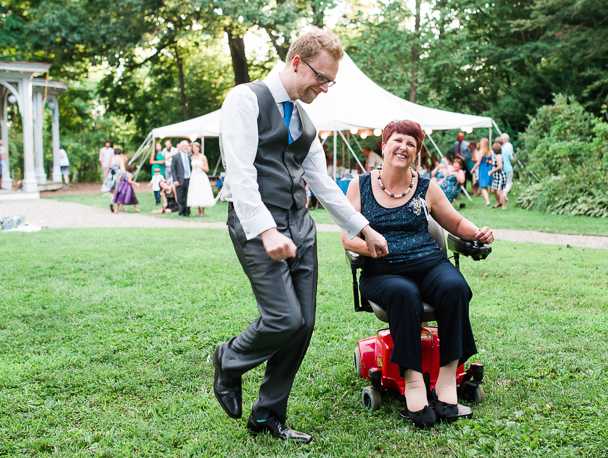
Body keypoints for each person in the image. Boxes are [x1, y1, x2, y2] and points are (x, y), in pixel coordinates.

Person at [214, 26, 388, 443]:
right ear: (297, 62)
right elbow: (239, 174)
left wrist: (363, 227)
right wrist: (267, 231)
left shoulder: (306, 122)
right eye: (322, 78)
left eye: (331, 81)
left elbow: (322, 184)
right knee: (283, 318)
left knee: (304, 324)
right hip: (259, 225)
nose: (325, 88)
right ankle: (229, 360)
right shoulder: (244, 99)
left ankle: (267, 415)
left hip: (301, 227)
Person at [342, 119, 494, 428]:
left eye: (411, 144)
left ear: (417, 153)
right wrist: (371, 247)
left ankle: (447, 384)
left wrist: (477, 233)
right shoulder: (359, 184)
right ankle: (414, 384)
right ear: (384, 146)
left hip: (429, 265)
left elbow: (455, 222)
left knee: (455, 287)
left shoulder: (426, 186)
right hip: (383, 271)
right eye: (398, 140)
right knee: (403, 294)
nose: (404, 147)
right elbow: (348, 237)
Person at [185, 142, 215, 217]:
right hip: (194, 177)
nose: (195, 149)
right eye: (193, 148)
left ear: (199, 148)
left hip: (201, 176)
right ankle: (198, 211)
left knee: (202, 192)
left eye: (196, 148)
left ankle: (202, 211)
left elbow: (207, 169)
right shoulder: (191, 157)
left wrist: (200, 166)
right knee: (196, 193)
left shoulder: (203, 157)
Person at [169, 140, 192, 217]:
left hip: (189, 179)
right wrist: (175, 180)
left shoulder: (190, 155)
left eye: (187, 146)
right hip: (179, 180)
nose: (185, 147)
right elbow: (173, 169)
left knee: (188, 196)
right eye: (184, 146)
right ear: (181, 147)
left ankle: (187, 212)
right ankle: (181, 212)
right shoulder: (176, 156)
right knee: (180, 196)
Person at [471, 140, 493, 206]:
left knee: (483, 186)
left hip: (482, 168)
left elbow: (478, 162)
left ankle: (487, 200)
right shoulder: (490, 151)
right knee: (486, 186)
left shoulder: (481, 152)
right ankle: (487, 201)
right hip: (488, 168)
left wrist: (473, 169)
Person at [489, 142, 507, 209]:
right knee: (493, 190)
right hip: (496, 176)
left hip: (500, 176)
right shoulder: (496, 156)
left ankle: (504, 206)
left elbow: (500, 166)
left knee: (499, 192)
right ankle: (498, 202)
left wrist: (492, 171)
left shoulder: (498, 156)